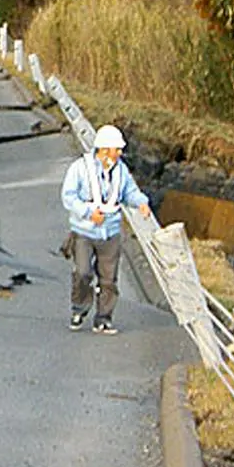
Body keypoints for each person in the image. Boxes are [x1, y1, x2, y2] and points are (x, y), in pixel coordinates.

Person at [60, 124, 151, 335]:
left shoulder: (121, 170)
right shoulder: (80, 168)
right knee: (83, 273)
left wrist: (141, 203)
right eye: (116, 149)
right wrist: (88, 213)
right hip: (84, 231)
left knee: (108, 279)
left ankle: (103, 318)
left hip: (110, 233)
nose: (120, 153)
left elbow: (130, 192)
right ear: (104, 149)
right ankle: (79, 308)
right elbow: (69, 196)